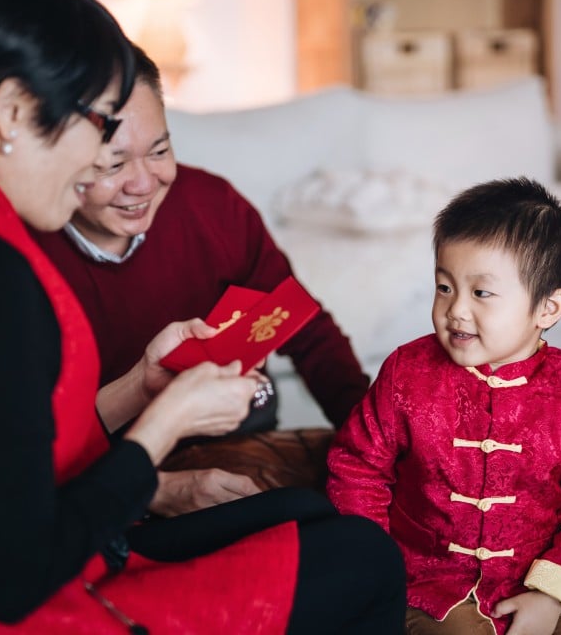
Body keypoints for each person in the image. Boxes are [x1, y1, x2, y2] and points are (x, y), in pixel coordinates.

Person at [0, 0, 404, 633]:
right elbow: (15, 577)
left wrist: (143, 386)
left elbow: (6, 444)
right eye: (98, 127)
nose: (97, 165)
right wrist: (165, 424)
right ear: (14, 112)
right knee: (365, 558)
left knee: (311, 517)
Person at [31, 44, 370, 513]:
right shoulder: (20, 255)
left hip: (242, 441)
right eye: (112, 165)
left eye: (160, 150)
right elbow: (25, 450)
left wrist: (377, 449)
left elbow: (306, 330)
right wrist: (153, 491)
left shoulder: (211, 205)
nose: (144, 183)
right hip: (98, 470)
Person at [327, 178, 561, 635]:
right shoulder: (407, 373)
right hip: (425, 583)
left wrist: (550, 597)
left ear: (547, 308)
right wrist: (376, 566)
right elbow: (356, 467)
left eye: (481, 293)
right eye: (445, 287)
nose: (456, 311)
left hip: (540, 581)